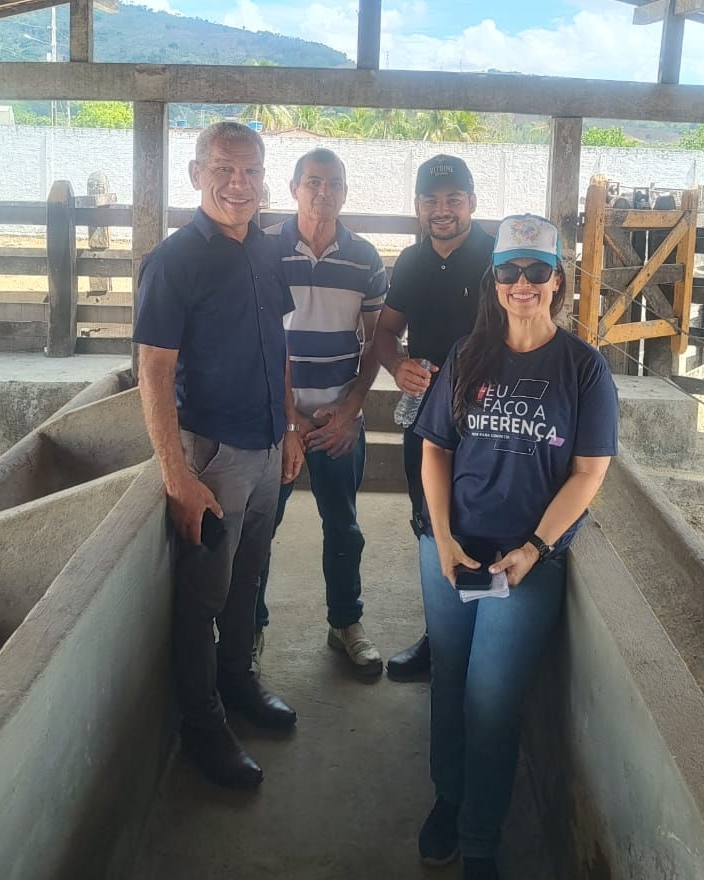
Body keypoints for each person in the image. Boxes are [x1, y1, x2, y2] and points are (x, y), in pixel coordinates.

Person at [413, 214, 617, 879]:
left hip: (523, 561)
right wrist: (442, 537)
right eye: (508, 271)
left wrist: (534, 547)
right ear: (493, 281)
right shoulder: (466, 355)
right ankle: (449, 795)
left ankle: (479, 838)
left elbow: (589, 472)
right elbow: (435, 450)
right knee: (449, 680)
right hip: (452, 547)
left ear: (558, 280)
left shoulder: (583, 368)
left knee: (492, 700)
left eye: (535, 271)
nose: (521, 284)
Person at [134, 121, 305, 791]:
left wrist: (289, 428)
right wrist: (176, 473)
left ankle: (238, 684)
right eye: (224, 168)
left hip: (266, 445)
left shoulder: (265, 250)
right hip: (213, 454)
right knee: (203, 595)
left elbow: (278, 345)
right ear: (196, 174)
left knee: (248, 580)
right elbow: (152, 369)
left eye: (251, 170)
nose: (239, 182)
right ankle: (203, 726)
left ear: (265, 178)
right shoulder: (174, 260)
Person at [259, 148, 389, 677]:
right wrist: (288, 420)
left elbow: (378, 342)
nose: (323, 192)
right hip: (274, 420)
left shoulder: (366, 260)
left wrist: (352, 408)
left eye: (333, 183)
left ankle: (346, 622)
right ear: (293, 189)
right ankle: (250, 629)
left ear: (345, 191)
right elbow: (259, 344)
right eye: (312, 182)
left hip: (338, 420)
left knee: (344, 526)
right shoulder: (264, 252)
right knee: (260, 528)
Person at [373, 154, 494, 681]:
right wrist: (398, 364)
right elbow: (382, 331)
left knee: (487, 518)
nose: (442, 210)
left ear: (472, 201)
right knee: (429, 521)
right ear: (418, 206)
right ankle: (439, 639)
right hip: (427, 418)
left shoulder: (498, 258)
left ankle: (489, 639)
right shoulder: (410, 262)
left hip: (491, 416)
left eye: (453, 199)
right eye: (431, 200)